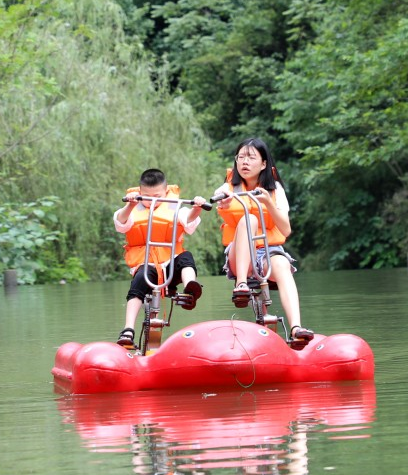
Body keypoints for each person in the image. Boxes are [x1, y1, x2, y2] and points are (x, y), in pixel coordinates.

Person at [212, 138, 313, 349]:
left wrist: (268, 202)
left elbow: (285, 230)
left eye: (251, 157)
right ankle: (241, 285)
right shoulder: (228, 187)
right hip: (239, 256)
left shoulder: (274, 189)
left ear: (264, 163)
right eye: (241, 157)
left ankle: (296, 328)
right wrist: (224, 201)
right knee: (250, 218)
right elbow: (219, 198)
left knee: (283, 265)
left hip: (268, 252)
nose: (244, 162)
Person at [114, 168, 206, 347]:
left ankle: (189, 289)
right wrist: (131, 205)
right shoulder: (132, 207)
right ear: (140, 193)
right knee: (139, 280)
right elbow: (120, 223)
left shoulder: (176, 206)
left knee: (186, 257)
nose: (152, 200)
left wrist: (197, 208)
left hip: (170, 263)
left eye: (157, 195)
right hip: (146, 264)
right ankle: (128, 330)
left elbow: (189, 222)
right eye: (147, 196)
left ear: (165, 192)